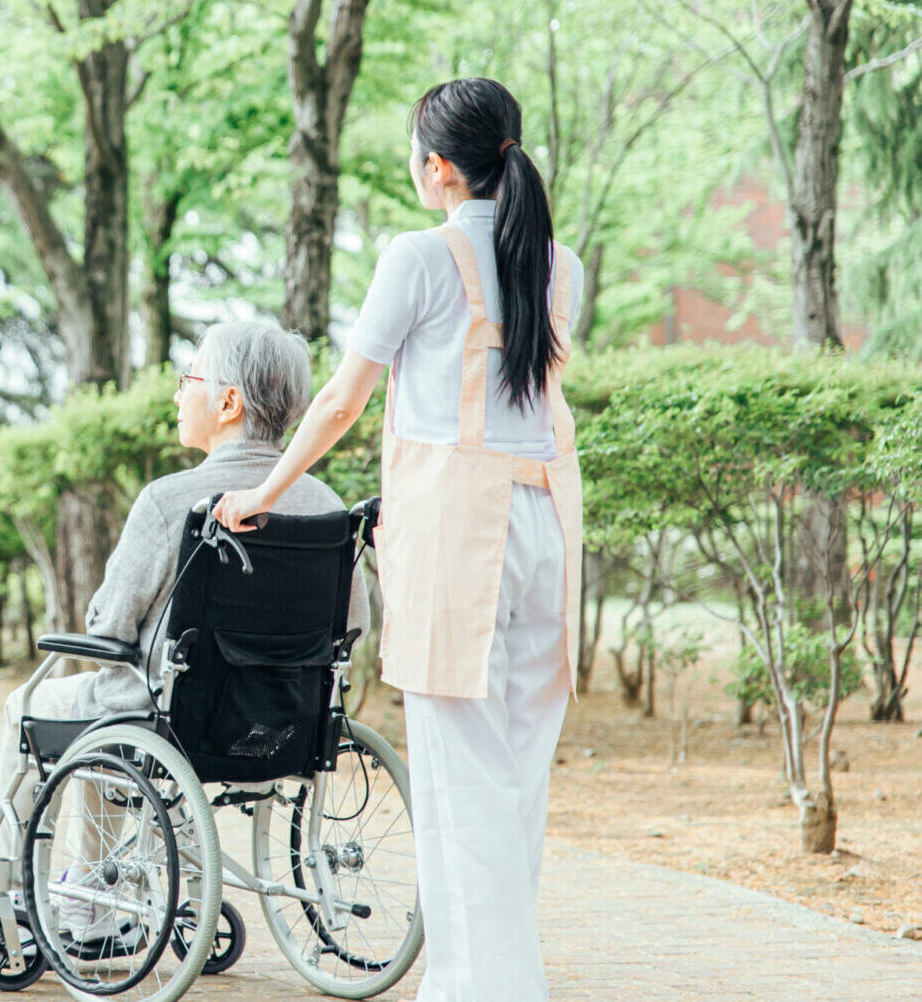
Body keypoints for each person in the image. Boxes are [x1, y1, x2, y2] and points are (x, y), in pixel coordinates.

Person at [212, 77, 586, 1002]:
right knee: (517, 775)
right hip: (547, 522)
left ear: (437, 168)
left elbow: (342, 399)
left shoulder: (418, 258)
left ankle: (490, 990)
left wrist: (261, 491)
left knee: (462, 779)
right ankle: (484, 981)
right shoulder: (561, 264)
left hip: (461, 532)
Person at [0, 318, 367, 940]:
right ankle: (153, 890)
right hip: (286, 724)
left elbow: (109, 624)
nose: (178, 395)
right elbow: (351, 626)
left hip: (171, 720)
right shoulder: (326, 505)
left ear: (228, 403)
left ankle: (44, 897)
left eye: (188, 380)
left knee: (39, 703)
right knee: (115, 711)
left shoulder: (170, 500)